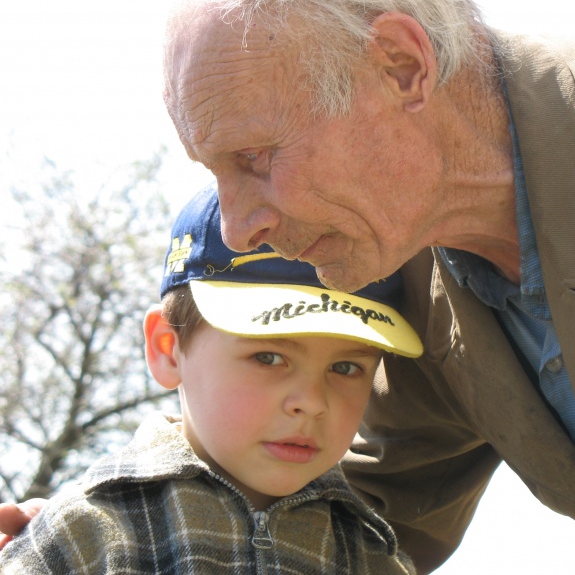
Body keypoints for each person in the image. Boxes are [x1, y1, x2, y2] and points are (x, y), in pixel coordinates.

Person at [3, 0, 575, 574]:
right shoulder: (403, 282)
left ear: (400, 65)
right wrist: (98, 531)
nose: (241, 226)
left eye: (254, 159)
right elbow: (361, 508)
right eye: (215, 176)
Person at [0, 185, 421, 574]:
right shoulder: (82, 535)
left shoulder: (374, 557)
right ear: (168, 348)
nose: (312, 401)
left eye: (346, 367)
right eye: (269, 356)